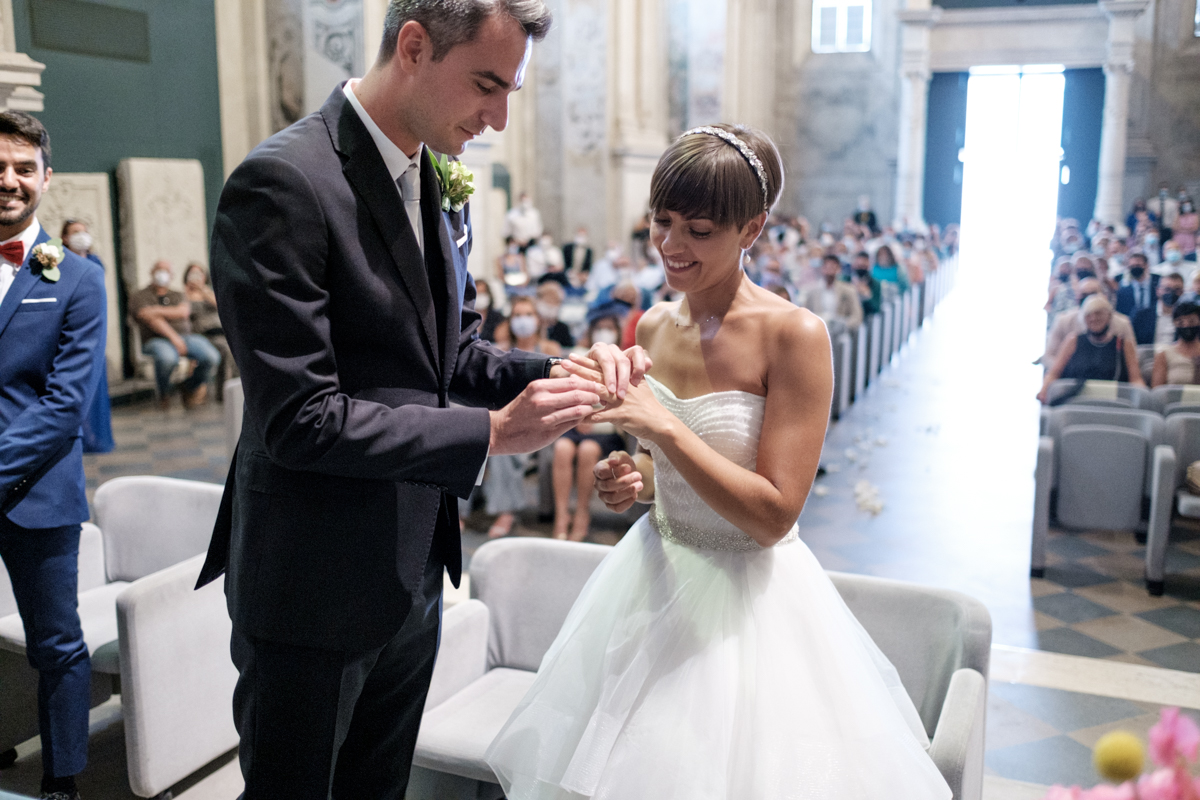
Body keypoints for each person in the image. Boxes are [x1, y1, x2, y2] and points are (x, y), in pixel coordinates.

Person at [192, 3, 650, 797]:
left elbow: (453, 355)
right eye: (486, 84)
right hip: (311, 579)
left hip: (413, 567)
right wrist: (490, 435)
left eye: (511, 90)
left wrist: (562, 369)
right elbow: (299, 419)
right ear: (413, 47)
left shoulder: (434, 177)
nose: (499, 118)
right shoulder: (283, 183)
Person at [486, 123, 951, 799]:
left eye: (699, 230)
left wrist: (665, 433)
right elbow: (666, 477)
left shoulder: (793, 335)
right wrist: (635, 480)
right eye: (661, 222)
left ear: (752, 228)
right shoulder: (649, 326)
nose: (672, 247)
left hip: (749, 601)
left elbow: (772, 514)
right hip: (654, 579)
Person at [0, 111, 107, 800]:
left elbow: (63, 407)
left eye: (21, 167)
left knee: (56, 645)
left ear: (45, 178)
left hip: (38, 492)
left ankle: (63, 781)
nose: (7, 180)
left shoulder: (76, 278)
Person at [483, 296, 562, 539]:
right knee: (487, 434)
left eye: (528, 314)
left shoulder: (550, 351)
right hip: (505, 411)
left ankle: (514, 511)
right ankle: (465, 512)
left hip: (543, 417)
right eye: (517, 315)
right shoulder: (500, 347)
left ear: (537, 320)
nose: (523, 320)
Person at [551, 312, 626, 541]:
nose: (604, 332)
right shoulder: (581, 357)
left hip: (607, 429)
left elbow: (625, 402)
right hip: (577, 423)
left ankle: (583, 512)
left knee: (588, 451)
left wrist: (595, 418)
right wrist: (582, 417)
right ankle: (561, 515)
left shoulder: (625, 359)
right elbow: (569, 390)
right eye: (600, 327)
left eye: (609, 327)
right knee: (562, 448)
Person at [128, 261, 220, 409]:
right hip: (156, 340)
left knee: (211, 357)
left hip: (186, 337)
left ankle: (188, 386)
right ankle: (164, 394)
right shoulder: (140, 296)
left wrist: (155, 310)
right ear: (151, 272)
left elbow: (183, 312)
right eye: (159, 270)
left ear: (171, 275)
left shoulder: (177, 294)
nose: (162, 274)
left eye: (166, 271)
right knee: (167, 358)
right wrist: (174, 337)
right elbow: (150, 319)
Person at [61, 219, 113, 453]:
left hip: (93, 329)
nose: (81, 235)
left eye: (84, 232)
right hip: (64, 332)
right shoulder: (56, 260)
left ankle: (95, 437)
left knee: (95, 386)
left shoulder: (95, 262)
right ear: (64, 238)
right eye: (75, 232)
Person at [1038, 295, 1145, 403]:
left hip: (1113, 401)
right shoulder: (1073, 341)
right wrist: (1043, 391)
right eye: (1089, 315)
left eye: (1098, 313)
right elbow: (1054, 373)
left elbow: (1135, 378)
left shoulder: (1124, 344)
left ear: (1108, 316)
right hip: (1077, 399)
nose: (1094, 318)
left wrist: (1142, 396)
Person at [1043, 278, 1135, 365]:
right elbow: (1049, 356)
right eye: (1084, 295)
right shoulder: (1063, 321)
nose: (1088, 298)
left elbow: (1133, 358)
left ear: (1104, 296)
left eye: (1093, 294)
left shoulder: (1122, 323)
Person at [182, 262, 238, 394]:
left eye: (199, 273)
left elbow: (220, 305)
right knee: (226, 350)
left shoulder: (208, 292)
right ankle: (224, 393)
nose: (196, 277)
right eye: (193, 274)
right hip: (203, 335)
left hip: (221, 332)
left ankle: (236, 390)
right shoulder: (184, 295)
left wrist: (202, 289)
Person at [802, 253, 864, 331]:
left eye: (833, 266)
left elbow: (857, 316)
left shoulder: (848, 290)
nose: (829, 269)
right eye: (827, 266)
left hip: (841, 334)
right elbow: (804, 314)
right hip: (817, 332)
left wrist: (843, 325)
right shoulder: (812, 291)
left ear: (838, 269)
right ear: (822, 268)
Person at [1115, 252, 1161, 344]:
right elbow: (1120, 312)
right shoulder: (1123, 291)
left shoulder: (1157, 284)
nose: (1135, 268)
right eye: (1132, 266)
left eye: (1138, 265)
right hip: (1133, 330)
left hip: (1155, 327)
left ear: (1146, 265)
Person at [1151, 301, 1200, 386]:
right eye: (1181, 322)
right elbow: (1157, 392)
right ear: (1174, 323)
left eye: (1191, 321)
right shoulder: (1164, 354)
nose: (1186, 325)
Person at [535, 277, 573, 348]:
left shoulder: (563, 328)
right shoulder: (533, 325)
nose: (550, 304)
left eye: (554, 300)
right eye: (547, 299)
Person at [1153, 272, 1187, 347]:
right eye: (1167, 289)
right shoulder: (1141, 315)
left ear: (1182, 292)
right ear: (1158, 291)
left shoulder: (1187, 318)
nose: (1172, 293)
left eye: (1177, 289)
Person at [849, 250, 882, 316]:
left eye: (863, 265)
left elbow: (876, 309)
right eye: (859, 265)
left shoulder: (875, 283)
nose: (861, 266)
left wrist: (866, 296)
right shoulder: (846, 280)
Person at [473, 276, 504, 343]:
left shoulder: (497, 317)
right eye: (477, 293)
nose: (480, 296)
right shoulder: (464, 317)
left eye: (482, 293)